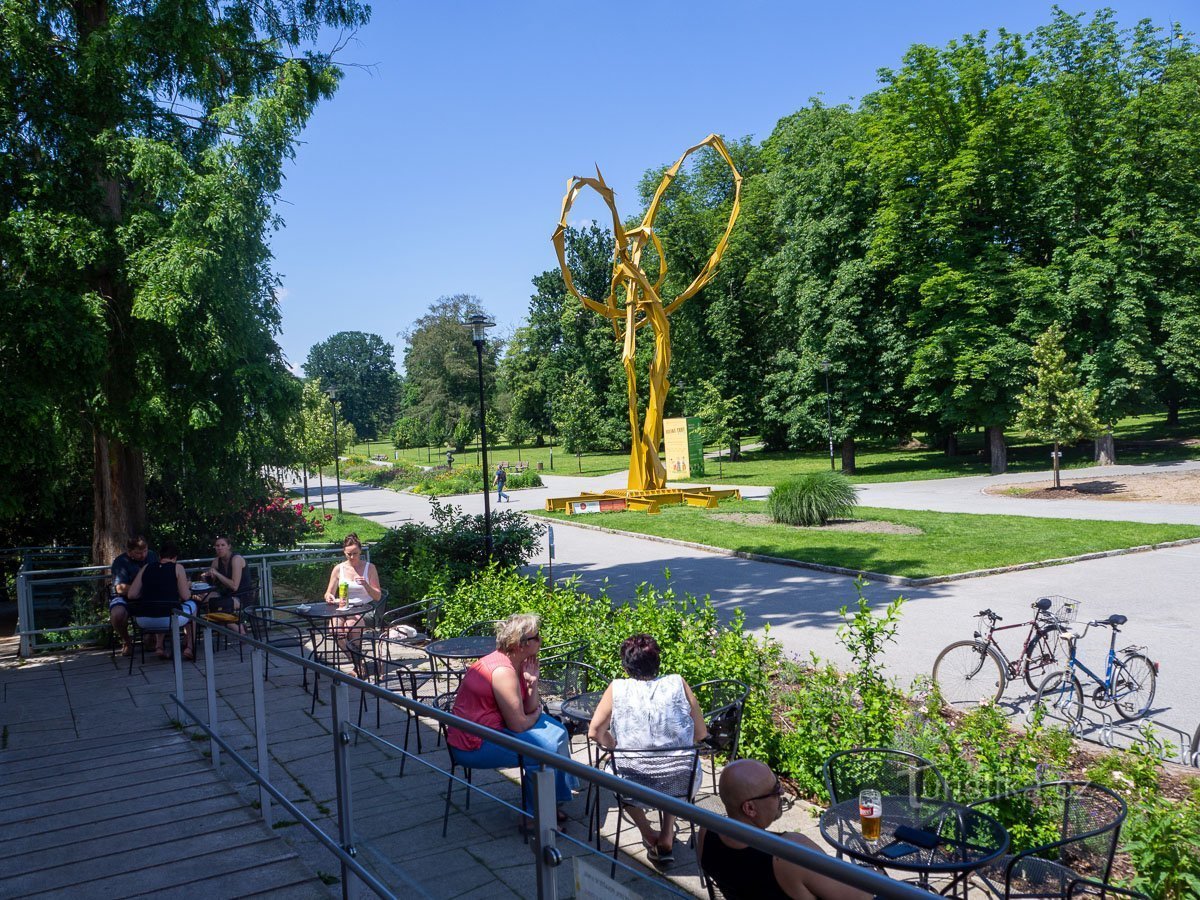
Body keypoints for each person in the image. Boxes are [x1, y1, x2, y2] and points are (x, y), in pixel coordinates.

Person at [588, 633, 708, 863]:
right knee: (673, 768)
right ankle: (666, 835)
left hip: (633, 784)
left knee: (616, 775)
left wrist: (614, 745)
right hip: (683, 783)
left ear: (626, 666)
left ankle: (647, 833)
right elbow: (701, 733)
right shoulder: (677, 683)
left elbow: (594, 732)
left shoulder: (617, 688)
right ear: (657, 662)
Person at [448, 613, 578, 825]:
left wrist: (532, 683)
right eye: (537, 637)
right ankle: (534, 819)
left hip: (492, 729)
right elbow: (519, 724)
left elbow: (528, 708)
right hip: (474, 744)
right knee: (541, 753)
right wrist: (536, 715)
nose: (541, 640)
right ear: (521, 644)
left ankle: (552, 801)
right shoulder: (503, 672)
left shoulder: (516, 662)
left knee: (559, 731)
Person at [697, 759, 874, 900]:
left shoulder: (706, 833)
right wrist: (871, 872)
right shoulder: (789, 852)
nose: (782, 792)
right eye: (775, 790)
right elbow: (862, 895)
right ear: (750, 808)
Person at [127, 540, 197, 661]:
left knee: (162, 606)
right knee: (192, 606)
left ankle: (159, 646)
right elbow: (185, 596)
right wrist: (188, 586)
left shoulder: (146, 567)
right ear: (175, 557)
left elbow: (131, 594)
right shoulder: (178, 567)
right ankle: (190, 647)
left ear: (159, 557)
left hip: (143, 619)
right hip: (169, 619)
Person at [322, 533, 381, 656]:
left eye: (355, 553)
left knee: (351, 626)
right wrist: (329, 597)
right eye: (349, 554)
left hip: (365, 608)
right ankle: (356, 661)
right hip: (343, 607)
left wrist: (366, 585)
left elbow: (377, 596)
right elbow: (329, 592)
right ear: (344, 552)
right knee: (335, 629)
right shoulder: (339, 569)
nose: (352, 557)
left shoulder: (369, 568)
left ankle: (357, 664)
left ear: (360, 552)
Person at [110, 536, 158, 657]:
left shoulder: (152, 556)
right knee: (117, 614)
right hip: (124, 598)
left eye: (145, 551)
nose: (143, 555)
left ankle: (151, 636)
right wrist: (139, 590)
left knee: (163, 603)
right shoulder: (120, 562)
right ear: (129, 552)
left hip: (149, 596)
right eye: (138, 553)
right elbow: (119, 588)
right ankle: (126, 641)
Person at [202, 535, 250, 626]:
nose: (220, 548)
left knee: (215, 605)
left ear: (229, 546)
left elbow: (234, 586)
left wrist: (217, 574)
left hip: (241, 597)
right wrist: (206, 577)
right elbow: (211, 583)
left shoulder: (236, 559)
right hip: (226, 595)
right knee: (202, 599)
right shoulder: (217, 560)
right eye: (217, 546)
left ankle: (241, 633)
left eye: (223, 545)